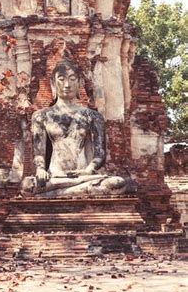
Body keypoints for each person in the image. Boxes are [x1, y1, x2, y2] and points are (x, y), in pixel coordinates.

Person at [26, 59, 133, 198]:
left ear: (80, 82)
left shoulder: (92, 116)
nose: (67, 84)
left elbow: (100, 155)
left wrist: (89, 170)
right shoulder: (41, 116)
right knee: (27, 186)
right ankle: (75, 191)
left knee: (118, 183)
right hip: (55, 176)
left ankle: (59, 194)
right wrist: (40, 170)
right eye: (61, 79)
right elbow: (39, 153)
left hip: (83, 175)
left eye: (72, 79)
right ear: (53, 83)